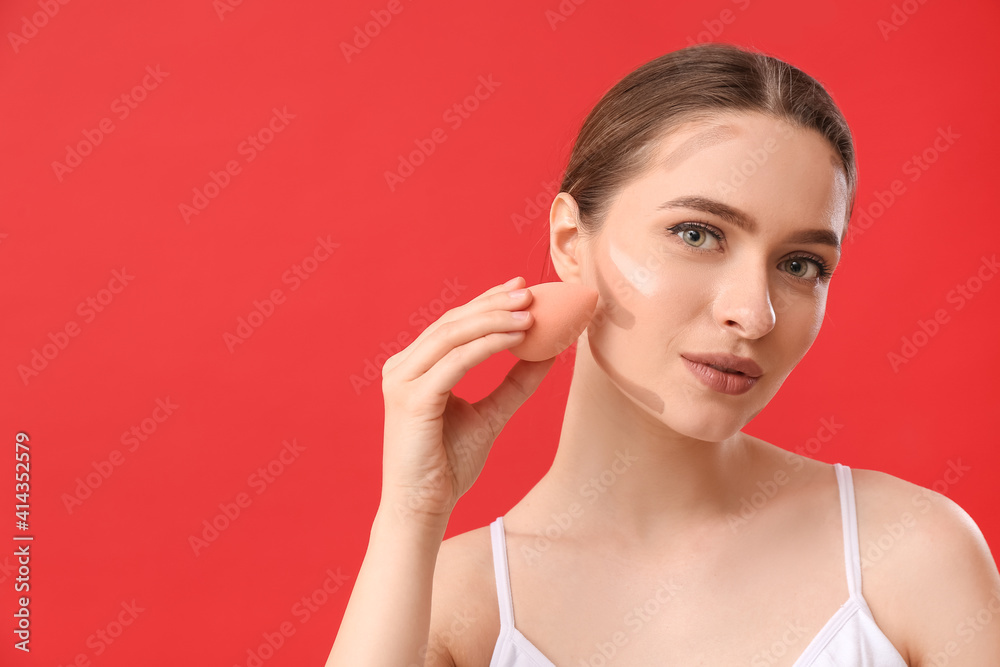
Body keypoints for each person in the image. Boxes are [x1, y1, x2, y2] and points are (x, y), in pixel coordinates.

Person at [325, 42, 1000, 666]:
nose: (754, 311)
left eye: (800, 264)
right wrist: (412, 509)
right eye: (697, 233)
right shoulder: (450, 604)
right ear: (569, 240)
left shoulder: (913, 554)